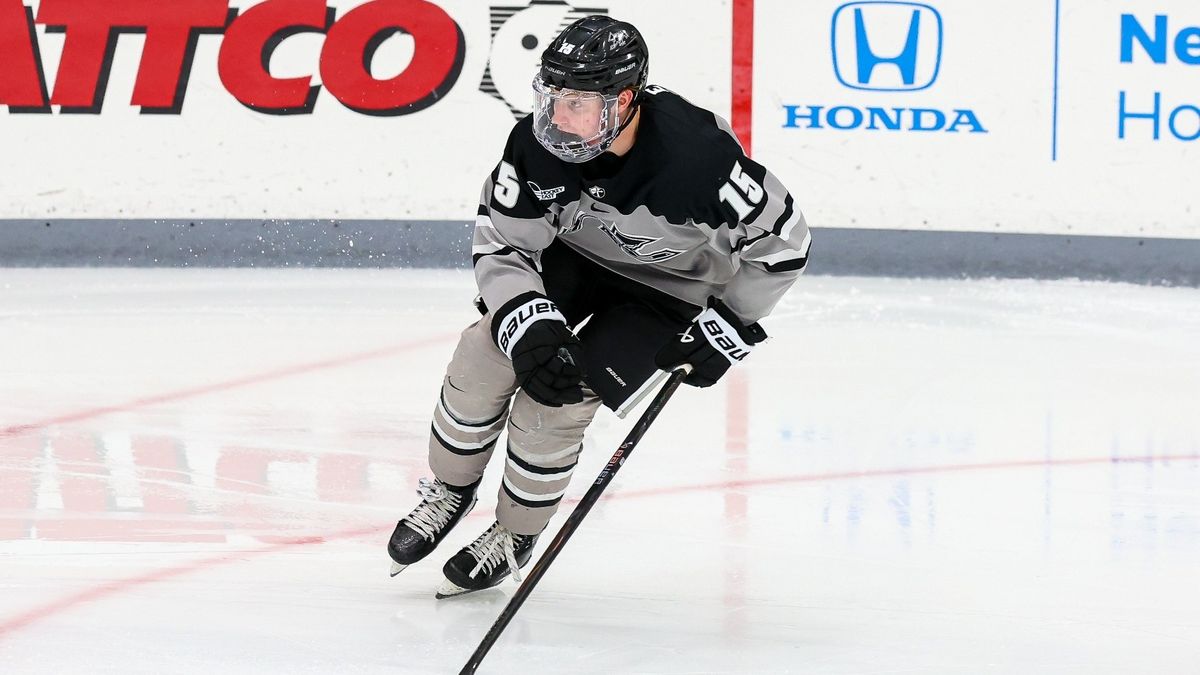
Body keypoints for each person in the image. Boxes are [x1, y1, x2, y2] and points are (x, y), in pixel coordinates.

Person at [387, 15, 811, 598]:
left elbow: (785, 246)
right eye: (550, 98)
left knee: (557, 398)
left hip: (671, 289)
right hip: (579, 259)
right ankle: (451, 487)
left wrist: (732, 320)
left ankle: (515, 532)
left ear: (625, 102)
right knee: (484, 350)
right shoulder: (534, 147)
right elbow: (504, 240)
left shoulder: (698, 160)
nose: (557, 119)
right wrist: (523, 316)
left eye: (578, 104)